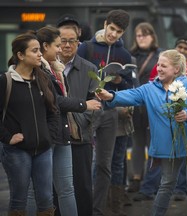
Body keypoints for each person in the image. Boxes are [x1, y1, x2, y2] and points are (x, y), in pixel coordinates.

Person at [97, 49, 187, 216]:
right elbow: (132, 94)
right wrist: (110, 96)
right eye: (158, 64)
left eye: (163, 66)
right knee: (166, 185)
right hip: (169, 147)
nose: (158, 68)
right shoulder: (149, 89)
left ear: (176, 70)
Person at [26, 26, 101, 216]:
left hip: (70, 134)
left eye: (70, 42)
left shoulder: (60, 69)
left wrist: (83, 121)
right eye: (59, 44)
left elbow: (96, 104)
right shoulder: (38, 70)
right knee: (40, 190)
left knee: (72, 188)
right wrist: (83, 105)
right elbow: (56, 101)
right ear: (45, 46)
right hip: (48, 135)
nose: (63, 48)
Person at [77, 9, 133, 215]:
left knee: (103, 163)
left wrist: (120, 80)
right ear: (105, 24)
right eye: (112, 29)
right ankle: (80, 205)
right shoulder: (86, 47)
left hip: (110, 112)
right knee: (82, 159)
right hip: (87, 109)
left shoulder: (124, 54)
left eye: (119, 32)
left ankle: (97, 209)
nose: (114, 34)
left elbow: (130, 86)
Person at [0, 33, 59, 215]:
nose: (40, 54)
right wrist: (8, 137)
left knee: (46, 200)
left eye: (40, 50)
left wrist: (48, 135)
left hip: (43, 150)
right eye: (34, 51)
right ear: (20, 55)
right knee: (19, 200)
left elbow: (54, 112)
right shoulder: (5, 81)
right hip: (17, 151)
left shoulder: (44, 79)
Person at [57, 25, 101, 216]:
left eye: (71, 41)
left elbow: (97, 105)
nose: (67, 45)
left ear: (78, 43)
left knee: (82, 185)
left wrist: (78, 122)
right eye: (63, 41)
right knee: (56, 186)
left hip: (80, 137)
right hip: (55, 136)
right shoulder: (47, 67)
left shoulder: (89, 69)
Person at [128, 22, 163, 194]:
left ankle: (152, 181)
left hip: (153, 107)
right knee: (137, 144)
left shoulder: (159, 55)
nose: (141, 38)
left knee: (152, 143)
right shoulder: (130, 55)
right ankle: (135, 178)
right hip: (135, 106)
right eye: (138, 35)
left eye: (145, 34)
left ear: (152, 36)